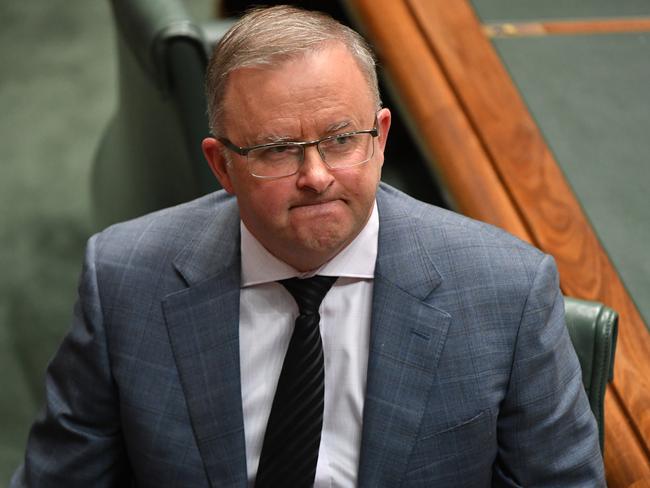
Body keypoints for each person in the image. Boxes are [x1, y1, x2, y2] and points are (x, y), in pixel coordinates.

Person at [12, 5, 605, 487]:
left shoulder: (508, 292)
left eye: (342, 139)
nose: (316, 175)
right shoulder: (123, 281)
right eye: (276, 150)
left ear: (381, 137)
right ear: (221, 165)